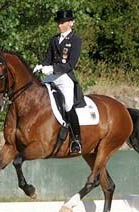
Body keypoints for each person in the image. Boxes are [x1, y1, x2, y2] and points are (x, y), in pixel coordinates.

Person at [33, 9, 86, 153]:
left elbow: (71, 64)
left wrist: (52, 69)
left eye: (62, 22)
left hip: (65, 77)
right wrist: (42, 66)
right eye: (59, 22)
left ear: (71, 23)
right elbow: (47, 59)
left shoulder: (75, 40)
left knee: (68, 105)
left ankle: (76, 140)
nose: (60, 25)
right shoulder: (54, 39)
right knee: (37, 96)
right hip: (51, 76)